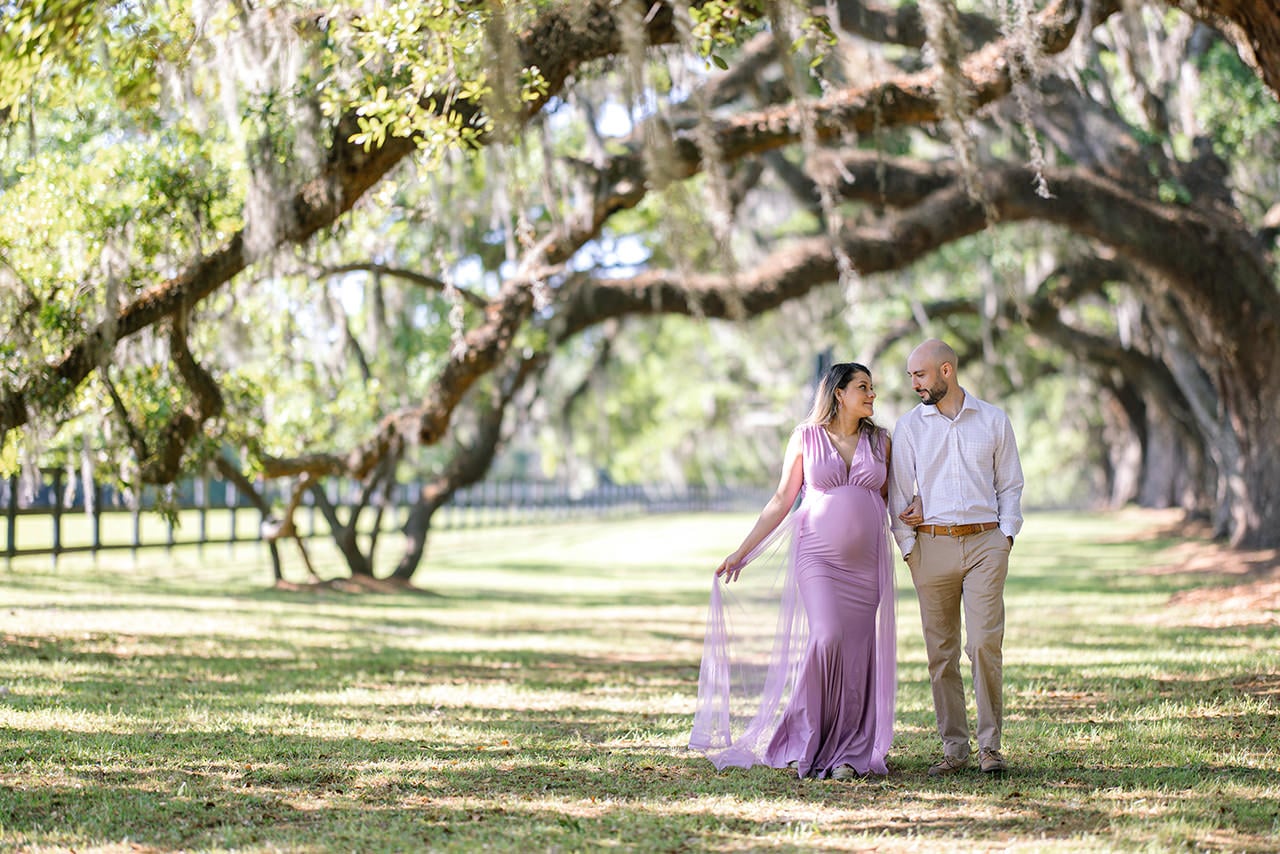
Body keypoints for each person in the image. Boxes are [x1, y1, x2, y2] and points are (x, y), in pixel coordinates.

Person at [689, 362, 896, 780]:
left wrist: (913, 520)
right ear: (839, 393)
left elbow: (892, 496)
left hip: (866, 565)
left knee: (857, 653)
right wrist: (743, 551)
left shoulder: (881, 441)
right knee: (827, 636)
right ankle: (807, 735)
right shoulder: (806, 437)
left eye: (872, 388)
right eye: (863, 387)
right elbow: (783, 499)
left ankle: (849, 752)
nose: (872, 394)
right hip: (818, 557)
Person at [888, 339, 1024, 776]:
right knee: (941, 653)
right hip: (931, 547)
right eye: (911, 376)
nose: (914, 384)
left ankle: (990, 748)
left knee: (984, 644)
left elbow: (1010, 485)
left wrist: (1006, 536)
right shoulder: (909, 428)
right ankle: (955, 750)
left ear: (946, 370)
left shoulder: (993, 420)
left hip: (986, 543)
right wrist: (910, 550)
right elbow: (898, 496)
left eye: (920, 375)